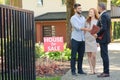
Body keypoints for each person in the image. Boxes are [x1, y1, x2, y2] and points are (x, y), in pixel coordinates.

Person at [94, 2, 111, 77]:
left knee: (104, 55)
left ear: (101, 8)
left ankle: (106, 72)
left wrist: (97, 34)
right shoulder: (106, 15)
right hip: (105, 38)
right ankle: (105, 71)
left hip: (103, 39)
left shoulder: (103, 16)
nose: (97, 8)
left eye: (98, 7)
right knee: (104, 55)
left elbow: (104, 28)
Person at [81, 8, 99, 74]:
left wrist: (98, 41)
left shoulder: (97, 21)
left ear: (94, 13)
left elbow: (98, 31)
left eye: (91, 12)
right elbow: (84, 30)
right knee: (89, 55)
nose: (90, 13)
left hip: (94, 39)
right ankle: (92, 70)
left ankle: (94, 69)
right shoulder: (86, 21)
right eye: (89, 12)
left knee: (93, 56)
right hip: (87, 39)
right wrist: (84, 37)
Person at [70, 3, 86, 76]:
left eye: (81, 8)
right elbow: (77, 27)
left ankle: (80, 70)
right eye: (79, 9)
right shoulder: (73, 18)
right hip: (75, 39)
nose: (80, 10)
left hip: (82, 39)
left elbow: (85, 26)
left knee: (81, 56)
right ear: (75, 9)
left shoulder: (83, 18)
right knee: (73, 56)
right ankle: (73, 71)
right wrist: (86, 29)